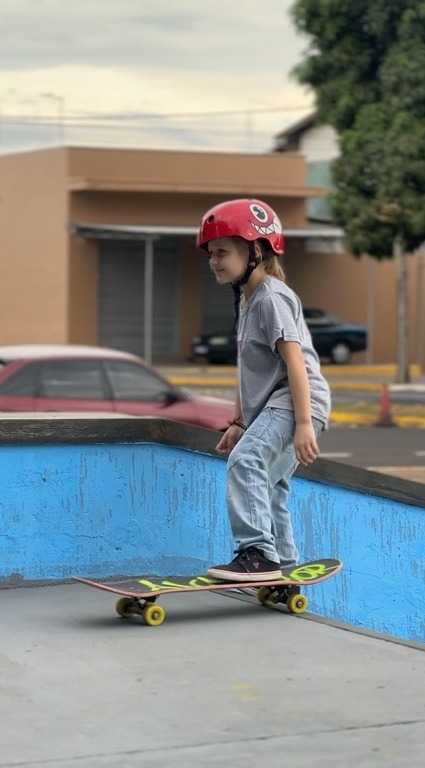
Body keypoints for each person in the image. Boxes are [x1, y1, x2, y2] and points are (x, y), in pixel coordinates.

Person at [196, 198, 331, 581]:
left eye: (222, 252)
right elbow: (248, 368)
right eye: (210, 254)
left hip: (297, 399)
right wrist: (238, 421)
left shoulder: (271, 297)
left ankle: (256, 553)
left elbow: (296, 364)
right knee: (271, 487)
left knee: (245, 461)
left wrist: (303, 423)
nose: (214, 261)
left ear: (254, 250)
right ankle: (285, 570)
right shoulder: (248, 298)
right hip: (286, 403)